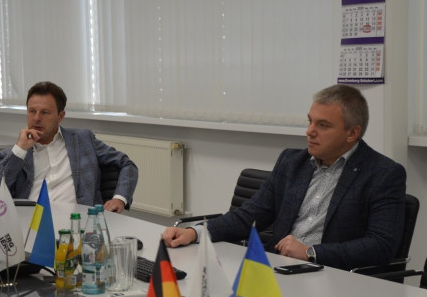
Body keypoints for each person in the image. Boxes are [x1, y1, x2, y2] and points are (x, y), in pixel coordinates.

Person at [162, 84, 406, 270]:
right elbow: (250, 215)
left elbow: (380, 246)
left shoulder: (383, 174)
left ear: (352, 133)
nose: (309, 131)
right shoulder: (292, 162)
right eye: (310, 122)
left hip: (333, 277)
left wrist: (311, 253)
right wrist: (196, 233)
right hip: (278, 269)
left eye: (323, 125)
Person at [0, 81, 138, 213]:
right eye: (32, 111)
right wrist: (20, 149)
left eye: (45, 112)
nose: (36, 118)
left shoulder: (83, 140)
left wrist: (119, 198)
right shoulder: (15, 154)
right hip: (31, 224)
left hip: (78, 223)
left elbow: (127, 164)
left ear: (60, 116)